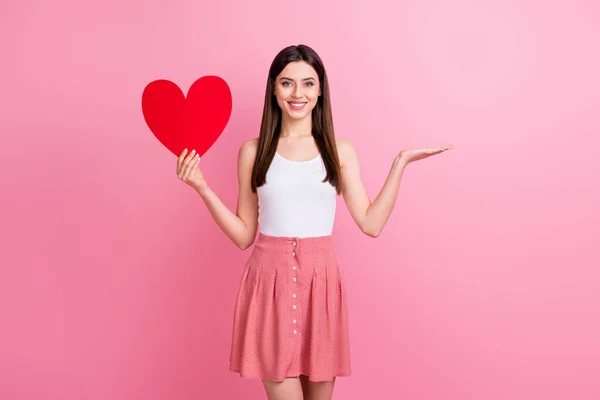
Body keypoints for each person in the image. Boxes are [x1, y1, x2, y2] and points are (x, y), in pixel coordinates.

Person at [175, 44, 453, 400]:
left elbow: (371, 222)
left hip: (320, 284)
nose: (298, 93)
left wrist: (399, 163)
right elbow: (245, 235)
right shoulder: (253, 151)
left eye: (308, 83)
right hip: (269, 283)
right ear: (273, 90)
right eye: (287, 83)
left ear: (320, 89)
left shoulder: (338, 151)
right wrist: (202, 188)